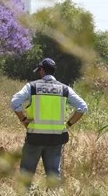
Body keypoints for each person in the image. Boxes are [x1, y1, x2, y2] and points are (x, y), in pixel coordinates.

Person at [10, 57, 88, 187]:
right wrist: (67, 125)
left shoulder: (32, 87)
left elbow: (15, 102)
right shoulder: (64, 89)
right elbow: (82, 107)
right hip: (55, 138)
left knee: (26, 174)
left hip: (35, 137)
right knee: (53, 175)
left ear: (41, 71)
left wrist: (23, 119)